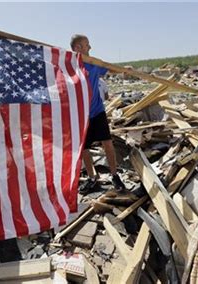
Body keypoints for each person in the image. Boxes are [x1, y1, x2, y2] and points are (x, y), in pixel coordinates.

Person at [70, 34, 125, 194]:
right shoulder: (69, 65)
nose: (90, 47)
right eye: (87, 45)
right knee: (85, 148)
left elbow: (110, 69)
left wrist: (124, 71)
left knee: (107, 143)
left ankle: (114, 175)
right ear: (78, 48)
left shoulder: (93, 64)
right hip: (81, 114)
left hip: (97, 111)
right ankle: (93, 177)